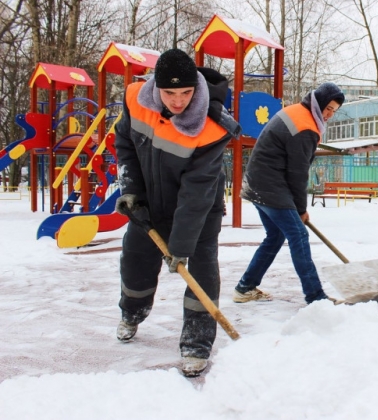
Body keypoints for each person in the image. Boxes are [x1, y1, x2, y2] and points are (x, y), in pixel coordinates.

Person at [113, 48, 240, 377]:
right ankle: (132, 313)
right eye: (170, 93)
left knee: (201, 272)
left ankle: (196, 345)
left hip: (199, 211)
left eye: (186, 92)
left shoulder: (211, 128)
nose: (178, 101)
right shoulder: (135, 100)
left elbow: (196, 192)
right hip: (150, 205)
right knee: (135, 261)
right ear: (156, 86)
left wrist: (180, 247)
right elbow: (125, 143)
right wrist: (131, 191)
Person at [232, 82, 345, 304]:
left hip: (258, 182)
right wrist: (301, 209)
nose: (329, 114)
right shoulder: (305, 127)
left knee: (275, 236)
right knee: (299, 235)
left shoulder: (298, 112)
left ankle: (245, 287)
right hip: (270, 185)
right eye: (328, 108)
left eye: (334, 110)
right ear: (319, 103)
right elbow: (297, 173)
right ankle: (316, 297)